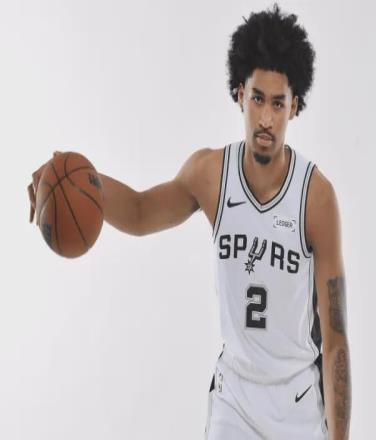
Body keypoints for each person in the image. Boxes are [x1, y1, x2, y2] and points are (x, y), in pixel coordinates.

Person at [27, 4, 351, 439]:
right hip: (235, 400)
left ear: (295, 106)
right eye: (258, 98)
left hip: (298, 402)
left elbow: (335, 339)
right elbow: (140, 211)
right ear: (240, 94)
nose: (266, 117)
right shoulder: (211, 174)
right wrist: (71, 181)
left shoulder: (316, 197)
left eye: (278, 103)